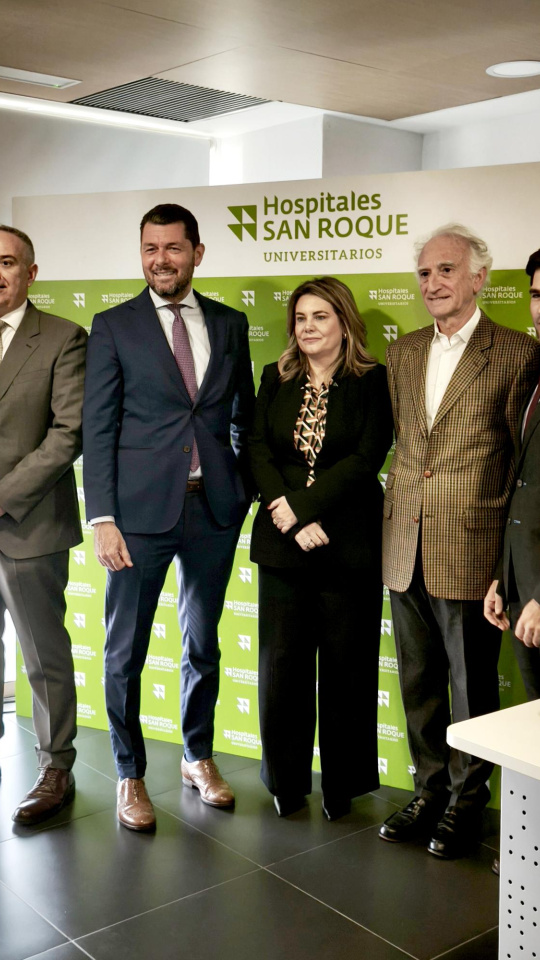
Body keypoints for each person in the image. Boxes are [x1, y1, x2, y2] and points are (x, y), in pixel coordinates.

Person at [83, 203, 255, 831]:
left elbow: (244, 417)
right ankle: (130, 773)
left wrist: (240, 488)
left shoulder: (231, 324)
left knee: (203, 641)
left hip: (212, 511)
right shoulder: (113, 326)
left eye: (173, 248)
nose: (161, 259)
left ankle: (197, 755)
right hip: (135, 517)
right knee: (125, 651)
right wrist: (101, 516)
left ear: (197, 253)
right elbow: (98, 429)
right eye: (150, 248)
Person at [379, 224, 540, 859]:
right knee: (418, 680)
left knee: (472, 684)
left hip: (471, 544)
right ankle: (430, 789)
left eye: (446, 270)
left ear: (479, 277)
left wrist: (507, 558)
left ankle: (469, 803)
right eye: (424, 274)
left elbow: (519, 461)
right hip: (403, 545)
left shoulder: (517, 354)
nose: (433, 283)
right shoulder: (404, 352)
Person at [249, 276, 393, 821]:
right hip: (284, 543)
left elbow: (366, 457)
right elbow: (259, 449)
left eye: (321, 317)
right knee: (282, 668)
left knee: (346, 669)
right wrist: (289, 514)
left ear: (344, 323)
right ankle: (286, 781)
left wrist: (306, 509)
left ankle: (342, 784)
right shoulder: (276, 376)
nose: (309, 328)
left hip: (348, 543)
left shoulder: (372, 380)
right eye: (301, 318)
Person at [0, 224, 86, 824]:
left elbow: (67, 434)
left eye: (7, 262)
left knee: (41, 655)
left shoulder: (61, 338)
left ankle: (56, 767)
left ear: (31, 273)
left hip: (27, 523)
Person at [484, 247, 540, 695]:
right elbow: (524, 484)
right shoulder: (534, 372)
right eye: (537, 295)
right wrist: (506, 576)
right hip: (524, 584)